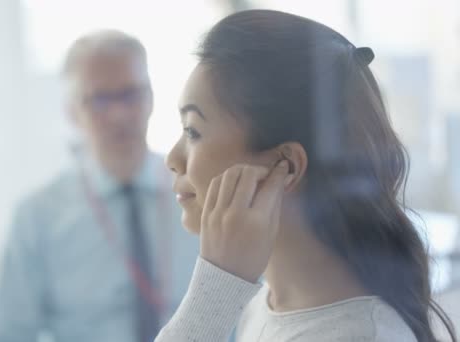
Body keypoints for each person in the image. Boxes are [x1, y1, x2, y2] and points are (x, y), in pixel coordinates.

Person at [156, 10, 457, 342]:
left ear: (286, 165)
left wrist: (216, 287)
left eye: (193, 131)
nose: (172, 158)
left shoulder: (362, 336)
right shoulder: (264, 304)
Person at [0, 30, 198, 342]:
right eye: (100, 99)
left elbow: (248, 306)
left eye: (130, 94)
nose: (119, 114)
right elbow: (5, 334)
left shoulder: (201, 191)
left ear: (150, 98)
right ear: (72, 113)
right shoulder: (37, 217)